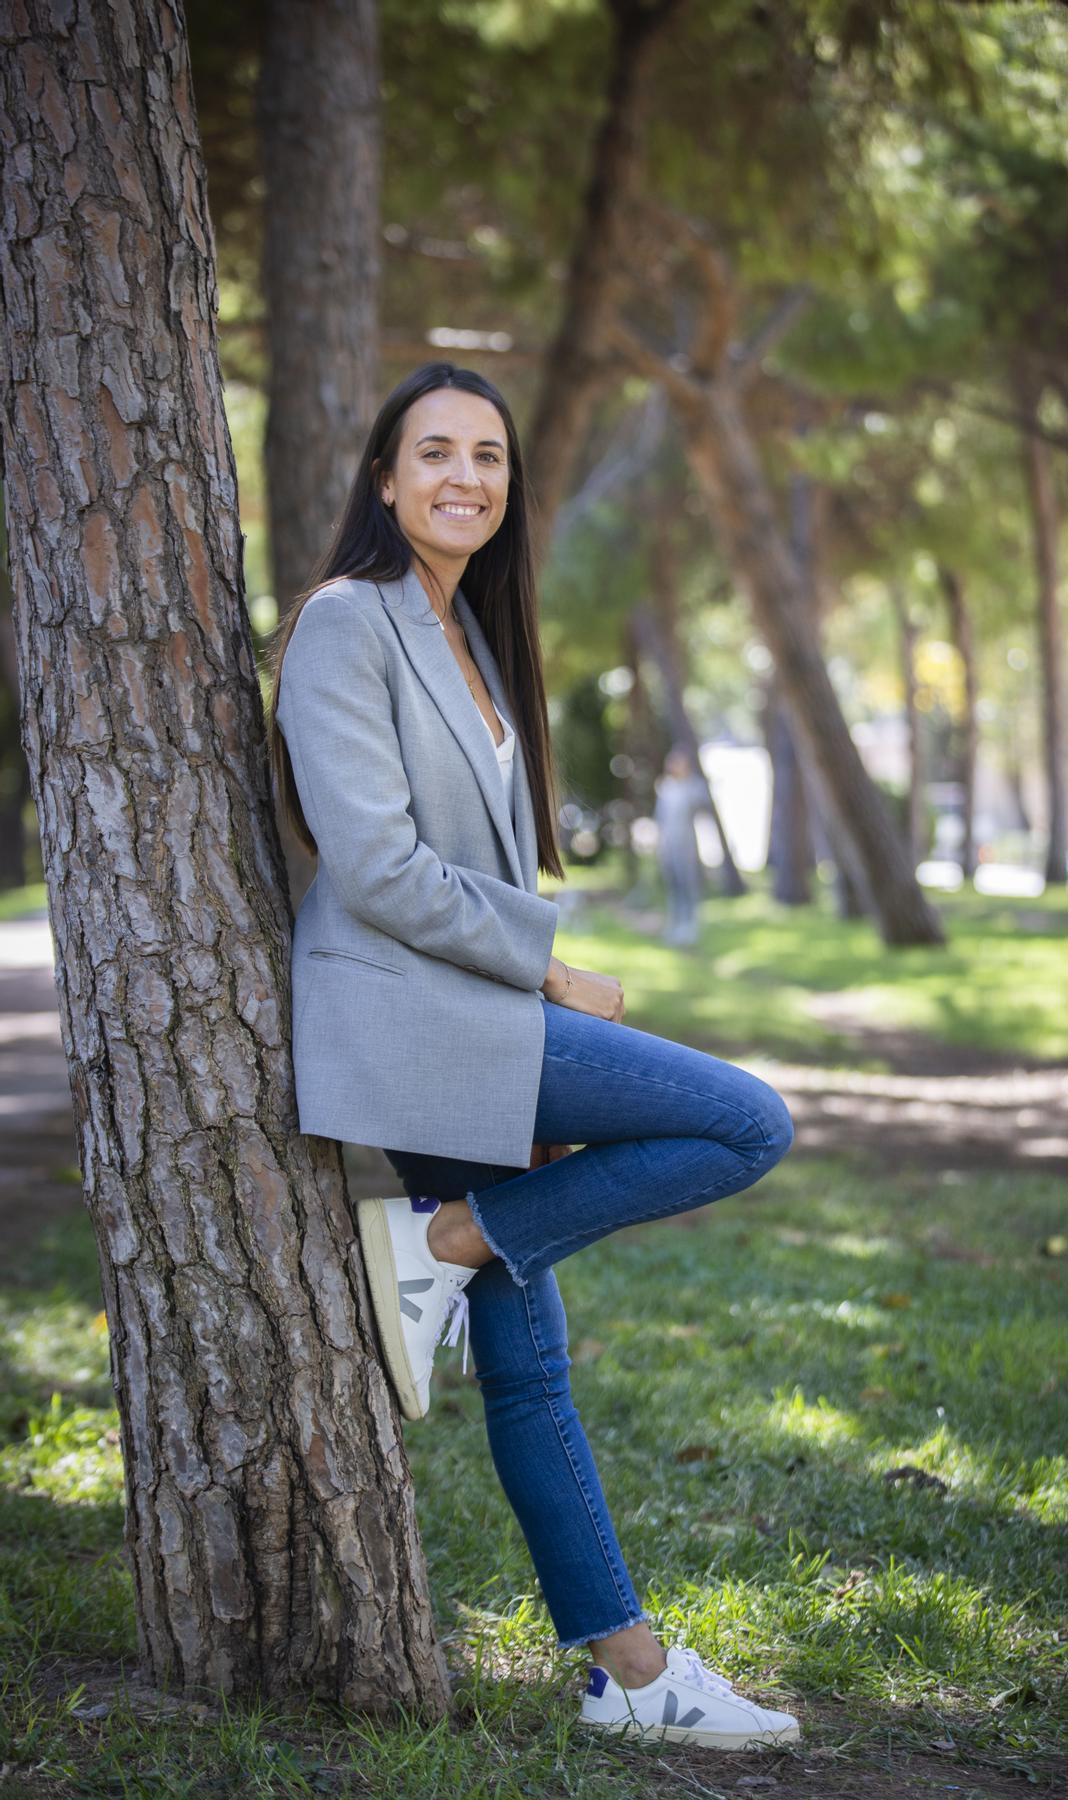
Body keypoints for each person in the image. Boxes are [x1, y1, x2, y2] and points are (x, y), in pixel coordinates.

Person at [267, 361, 798, 1751]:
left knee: (531, 1367)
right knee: (745, 1123)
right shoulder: (345, 623)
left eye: (489, 457)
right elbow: (373, 865)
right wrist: (547, 967)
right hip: (412, 1012)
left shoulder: (470, 632)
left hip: (470, 1025)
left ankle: (632, 1674)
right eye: (434, 451)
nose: (466, 477)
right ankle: (442, 1241)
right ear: (384, 480)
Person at [654, 744, 709, 947]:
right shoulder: (666, 788)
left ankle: (690, 926)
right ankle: (675, 925)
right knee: (673, 885)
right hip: (669, 845)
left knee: (688, 885)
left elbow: (703, 806)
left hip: (686, 845)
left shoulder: (692, 787)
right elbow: (660, 818)